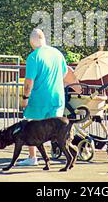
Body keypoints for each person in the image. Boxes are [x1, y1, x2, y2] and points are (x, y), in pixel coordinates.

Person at [17, 28, 68, 166]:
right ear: (44, 39)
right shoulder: (57, 53)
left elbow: (29, 82)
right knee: (56, 127)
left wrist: (25, 98)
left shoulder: (34, 57)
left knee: (30, 126)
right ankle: (62, 153)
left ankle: (32, 157)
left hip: (39, 99)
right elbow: (64, 73)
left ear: (31, 42)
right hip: (58, 97)